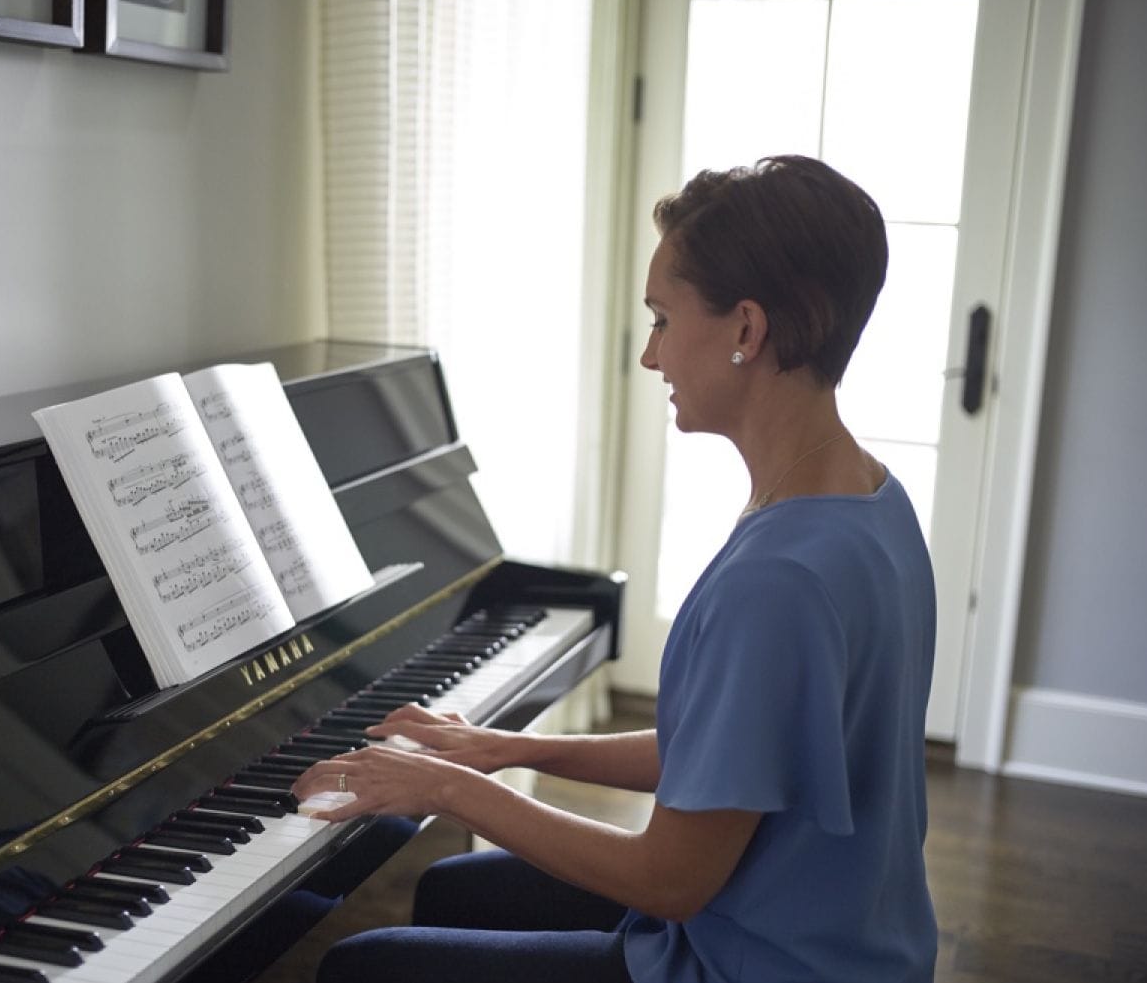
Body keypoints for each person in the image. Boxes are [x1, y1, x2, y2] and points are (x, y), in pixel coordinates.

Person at [290, 154, 938, 983]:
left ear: (746, 330)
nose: (650, 355)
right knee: (458, 890)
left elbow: (668, 879)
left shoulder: (777, 580)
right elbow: (723, 753)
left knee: (362, 969)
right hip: (848, 941)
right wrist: (498, 749)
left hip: (757, 964)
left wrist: (446, 789)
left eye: (663, 319)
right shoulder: (870, 499)